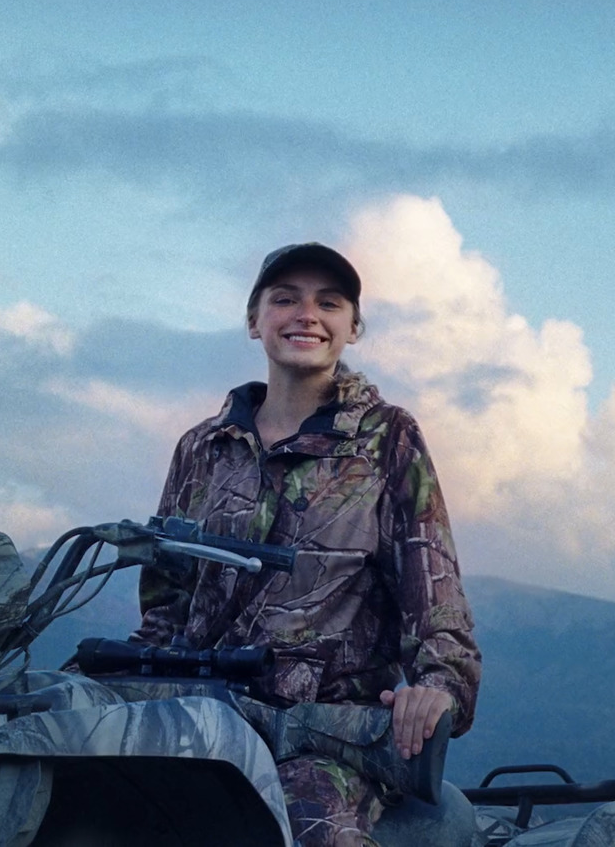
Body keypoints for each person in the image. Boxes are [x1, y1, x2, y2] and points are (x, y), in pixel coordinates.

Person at [132, 242, 482, 846]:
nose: (306, 315)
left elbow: (436, 596)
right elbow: (166, 606)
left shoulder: (387, 440)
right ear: (253, 320)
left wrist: (437, 690)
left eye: (329, 302)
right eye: (285, 299)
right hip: (200, 719)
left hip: (327, 736)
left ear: (352, 327)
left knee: (304, 826)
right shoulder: (201, 447)